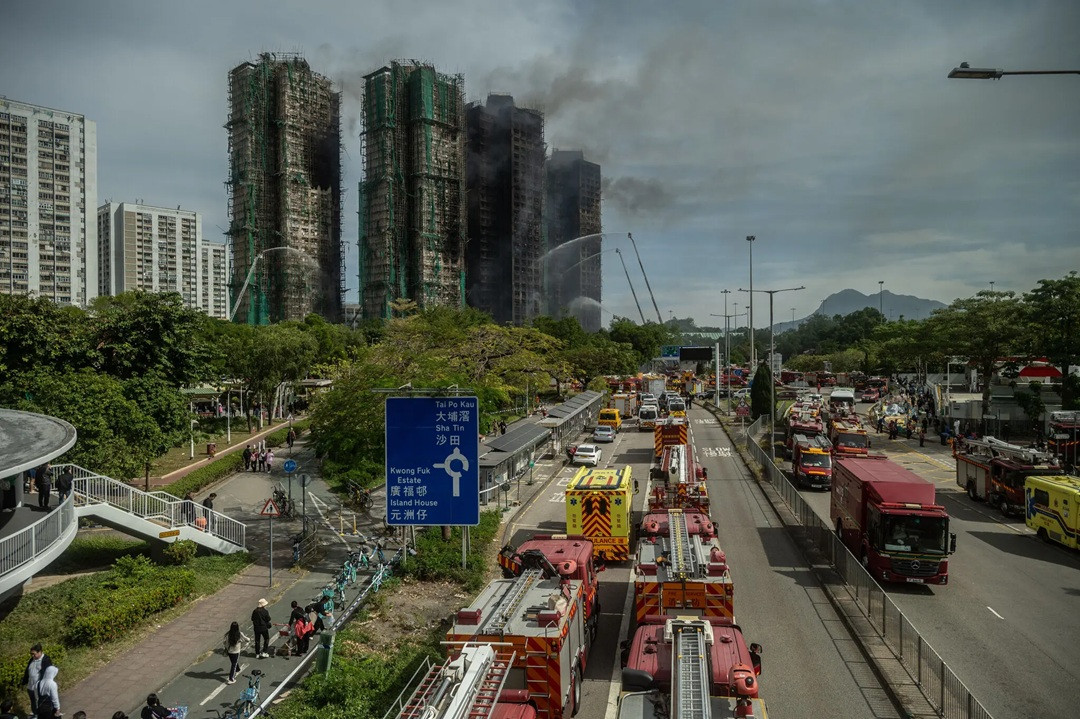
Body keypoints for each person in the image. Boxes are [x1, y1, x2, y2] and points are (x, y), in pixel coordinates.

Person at [23, 644, 52, 714]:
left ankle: (40, 715)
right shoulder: (32, 659)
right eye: (31, 654)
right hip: (30, 686)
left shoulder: (46, 660)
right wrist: (24, 681)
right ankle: (35, 714)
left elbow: (47, 674)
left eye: (34, 654)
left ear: (40, 652)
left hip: (39, 688)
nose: (32, 655)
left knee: (39, 703)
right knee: (33, 702)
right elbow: (27, 671)